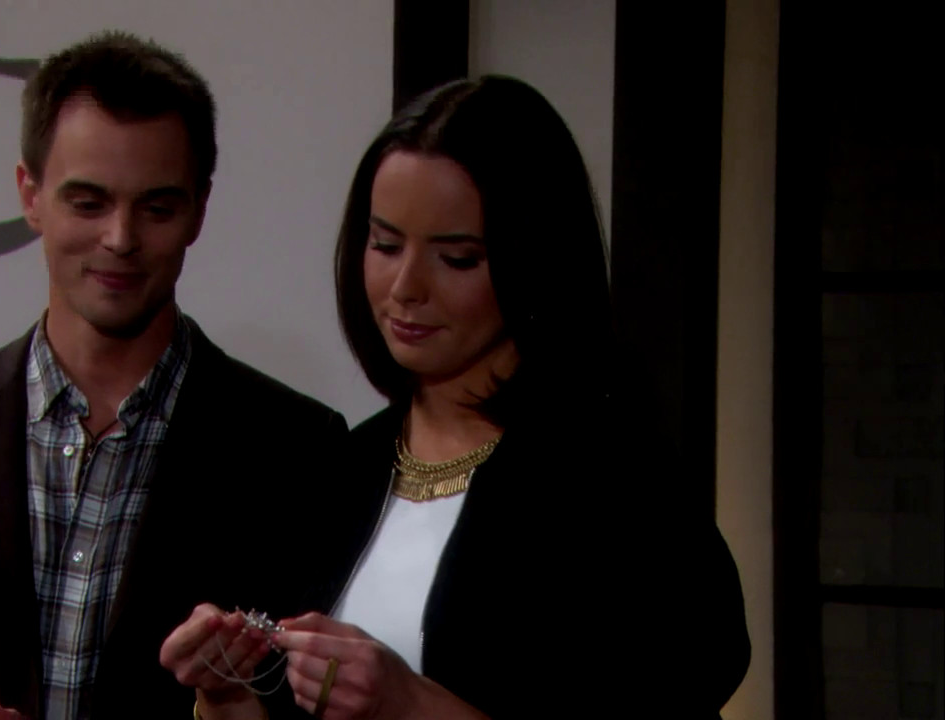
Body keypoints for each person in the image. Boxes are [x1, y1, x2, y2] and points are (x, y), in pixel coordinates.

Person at [0, 31, 347, 720]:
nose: (120, 238)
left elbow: (313, 707)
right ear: (31, 194)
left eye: (157, 207)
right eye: (88, 202)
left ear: (199, 209)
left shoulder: (295, 448)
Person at [162, 75, 750, 719]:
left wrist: (412, 703)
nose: (405, 287)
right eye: (386, 245)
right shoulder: (341, 472)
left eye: (458, 259)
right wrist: (225, 693)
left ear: (535, 259)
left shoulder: (620, 486)